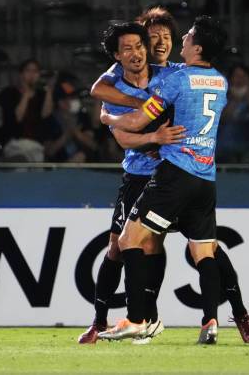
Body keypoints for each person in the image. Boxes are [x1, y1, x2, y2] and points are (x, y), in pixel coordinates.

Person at [87, 9, 249, 344]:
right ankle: (105, 321)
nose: (164, 42)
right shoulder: (131, 73)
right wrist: (150, 128)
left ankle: (232, 312)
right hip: (149, 174)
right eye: (154, 38)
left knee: (155, 245)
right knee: (127, 248)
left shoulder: (179, 75)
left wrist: (114, 117)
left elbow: (131, 120)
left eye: (169, 36)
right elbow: (100, 92)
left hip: (171, 174)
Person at [77, 22, 185, 344]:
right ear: (116, 56)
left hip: (168, 175)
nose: (136, 53)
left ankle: (147, 318)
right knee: (116, 248)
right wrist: (153, 135)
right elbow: (124, 140)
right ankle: (98, 321)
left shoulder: (166, 77)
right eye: (127, 49)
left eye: (139, 46)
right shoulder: (115, 93)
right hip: (136, 176)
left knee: (154, 245)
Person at [0, 59, 54, 162]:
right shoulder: (10, 93)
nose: (32, 74)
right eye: (28, 71)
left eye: (35, 71)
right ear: (21, 74)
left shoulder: (41, 95)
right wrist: (26, 95)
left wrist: (49, 91)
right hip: (15, 143)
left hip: (36, 145)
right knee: (21, 163)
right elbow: (18, 117)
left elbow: (46, 114)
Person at [216, 63, 249, 163]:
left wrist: (248, 98)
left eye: (243, 76)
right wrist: (235, 100)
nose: (240, 79)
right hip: (225, 148)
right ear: (230, 80)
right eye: (236, 76)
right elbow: (223, 119)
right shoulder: (222, 98)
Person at [43, 75, 98, 162]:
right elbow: (49, 151)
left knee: (81, 156)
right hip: (59, 167)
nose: (74, 101)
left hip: (85, 169)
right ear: (60, 102)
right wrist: (66, 136)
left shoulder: (83, 117)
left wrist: (77, 133)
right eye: (70, 98)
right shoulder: (51, 120)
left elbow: (93, 146)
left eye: (74, 98)